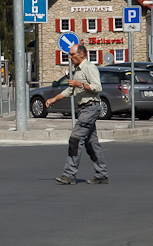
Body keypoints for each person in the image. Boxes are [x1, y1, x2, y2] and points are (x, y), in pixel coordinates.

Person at [45, 44, 108, 185]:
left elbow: (98, 88)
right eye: (69, 54)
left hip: (90, 108)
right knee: (92, 144)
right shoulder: (77, 70)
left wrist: (80, 85)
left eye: (72, 54)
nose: (70, 57)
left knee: (75, 139)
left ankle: (69, 174)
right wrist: (54, 98)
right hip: (84, 109)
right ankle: (102, 174)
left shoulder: (89, 68)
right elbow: (70, 90)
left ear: (82, 55)